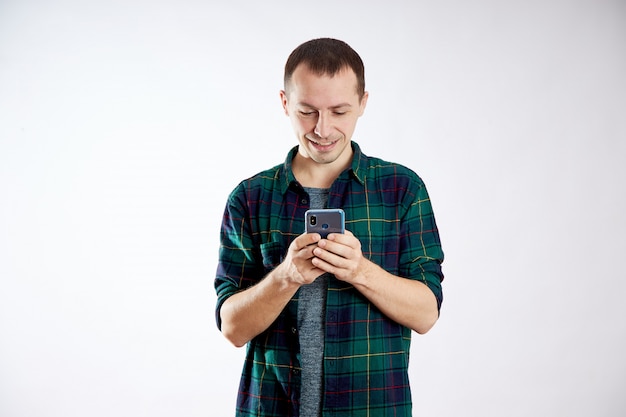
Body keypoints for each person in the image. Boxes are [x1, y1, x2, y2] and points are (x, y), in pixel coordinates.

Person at [214, 38, 444, 417]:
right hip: (272, 408)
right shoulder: (250, 197)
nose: (323, 129)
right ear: (285, 103)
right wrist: (285, 277)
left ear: (363, 103)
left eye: (339, 111)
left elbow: (426, 314)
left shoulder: (401, 189)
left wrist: (360, 271)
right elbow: (232, 327)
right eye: (307, 111)